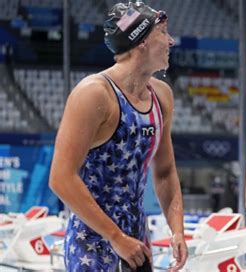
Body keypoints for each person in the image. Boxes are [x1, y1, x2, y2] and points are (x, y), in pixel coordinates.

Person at [49, 1, 187, 271]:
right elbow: (61, 177)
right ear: (142, 41)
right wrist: (115, 237)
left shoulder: (161, 95)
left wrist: (177, 230)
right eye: (163, 32)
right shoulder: (94, 94)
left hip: (136, 244)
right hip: (92, 246)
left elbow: (165, 172)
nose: (170, 41)